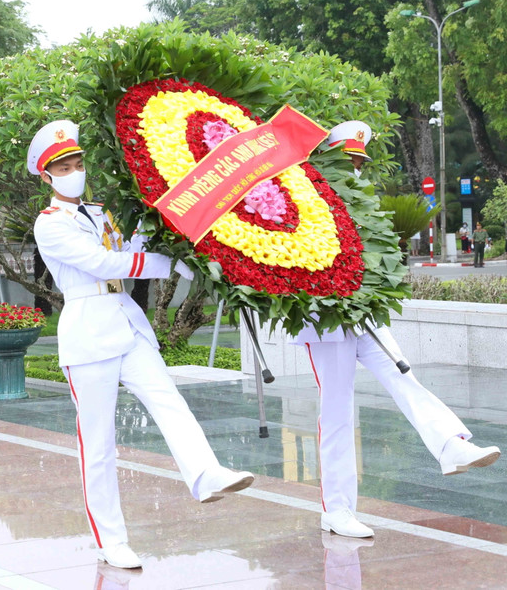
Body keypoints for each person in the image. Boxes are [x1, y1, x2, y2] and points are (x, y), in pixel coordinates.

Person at [29, 120, 254, 569]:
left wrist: (158, 224)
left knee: (169, 400)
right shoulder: (50, 223)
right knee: (99, 442)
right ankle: (111, 540)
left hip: (126, 322)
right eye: (64, 166)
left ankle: (205, 474)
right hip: (88, 331)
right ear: (46, 177)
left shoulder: (99, 212)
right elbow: (101, 262)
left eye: (77, 162)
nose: (75, 170)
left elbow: (127, 247)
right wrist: (166, 262)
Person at [291, 121, 500, 539]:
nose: (354, 168)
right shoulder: (303, 197)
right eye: (347, 160)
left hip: (365, 313)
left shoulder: (360, 203)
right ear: (327, 159)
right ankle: (336, 509)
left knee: (402, 373)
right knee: (336, 413)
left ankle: (451, 444)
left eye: (358, 162)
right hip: (325, 319)